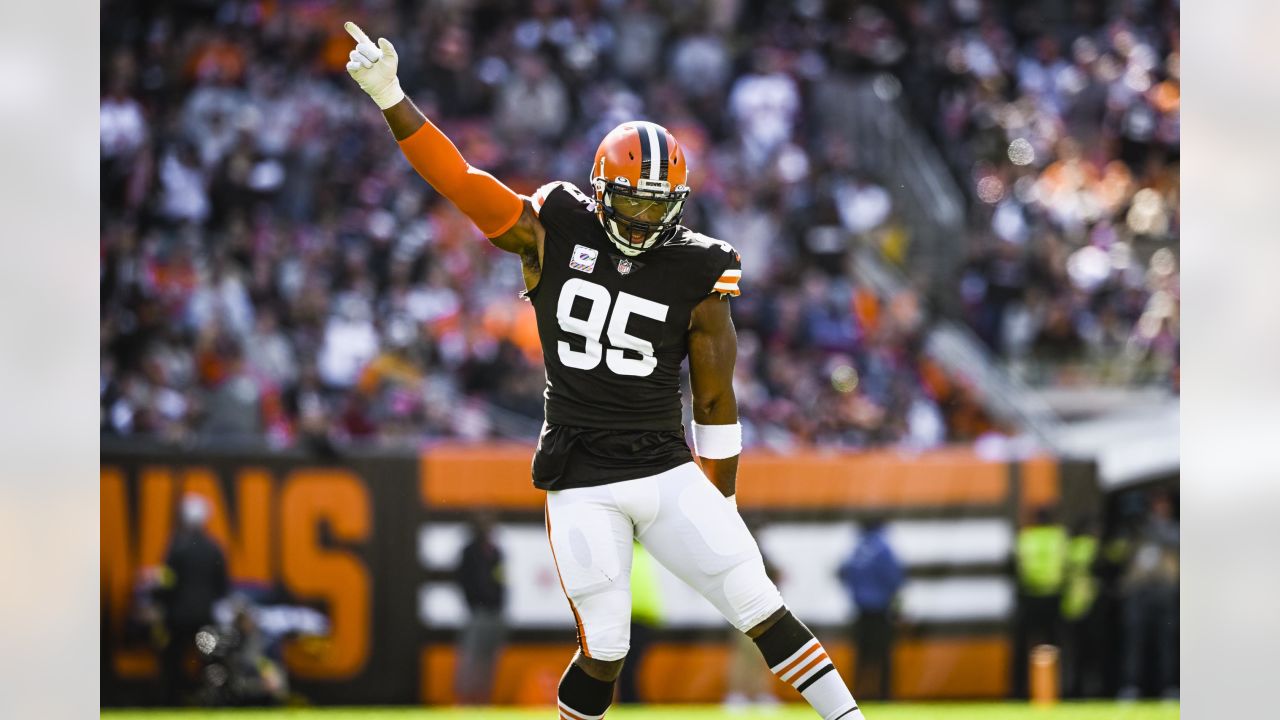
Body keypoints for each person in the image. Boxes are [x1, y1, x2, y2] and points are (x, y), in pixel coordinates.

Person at [343, 22, 865, 720]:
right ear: (600, 190)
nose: (646, 217)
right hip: (582, 475)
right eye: (634, 199)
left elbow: (715, 396)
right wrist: (393, 98)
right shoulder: (555, 223)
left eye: (660, 204)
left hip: (667, 469)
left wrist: (725, 498)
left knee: (760, 604)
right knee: (607, 647)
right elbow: (465, 185)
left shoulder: (700, 265)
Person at [157, 494, 230, 705]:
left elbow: (167, 581)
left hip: (178, 617)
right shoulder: (215, 547)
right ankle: (212, 700)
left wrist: (161, 602)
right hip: (206, 616)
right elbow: (223, 586)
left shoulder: (177, 546)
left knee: (174, 658)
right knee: (210, 659)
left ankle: (174, 700)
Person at [838, 516, 904, 701]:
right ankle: (884, 695)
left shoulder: (857, 549)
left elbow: (843, 573)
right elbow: (895, 580)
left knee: (861, 656)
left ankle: (858, 696)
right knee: (883, 656)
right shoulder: (883, 547)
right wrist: (898, 610)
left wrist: (857, 594)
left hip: (861, 611)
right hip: (881, 611)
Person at [1012, 505, 1068, 699]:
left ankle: (1020, 692)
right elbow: (1066, 566)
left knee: (1024, 648)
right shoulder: (1059, 537)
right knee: (1056, 647)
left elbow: (1016, 567)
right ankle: (1059, 691)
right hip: (1053, 597)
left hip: (1031, 597)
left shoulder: (1026, 538)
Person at [454, 513, 507, 705]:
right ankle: (465, 700)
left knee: (489, 660)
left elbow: (501, 582)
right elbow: (463, 582)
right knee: (471, 658)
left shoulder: (496, 552)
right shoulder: (468, 552)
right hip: (477, 614)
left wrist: (499, 606)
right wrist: (473, 605)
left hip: (494, 614)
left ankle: (483, 700)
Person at [618, 541, 663, 704]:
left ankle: (629, 701)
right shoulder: (644, 554)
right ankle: (630, 700)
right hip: (638, 619)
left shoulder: (622, 553)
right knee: (630, 665)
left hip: (632, 619)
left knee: (629, 665)